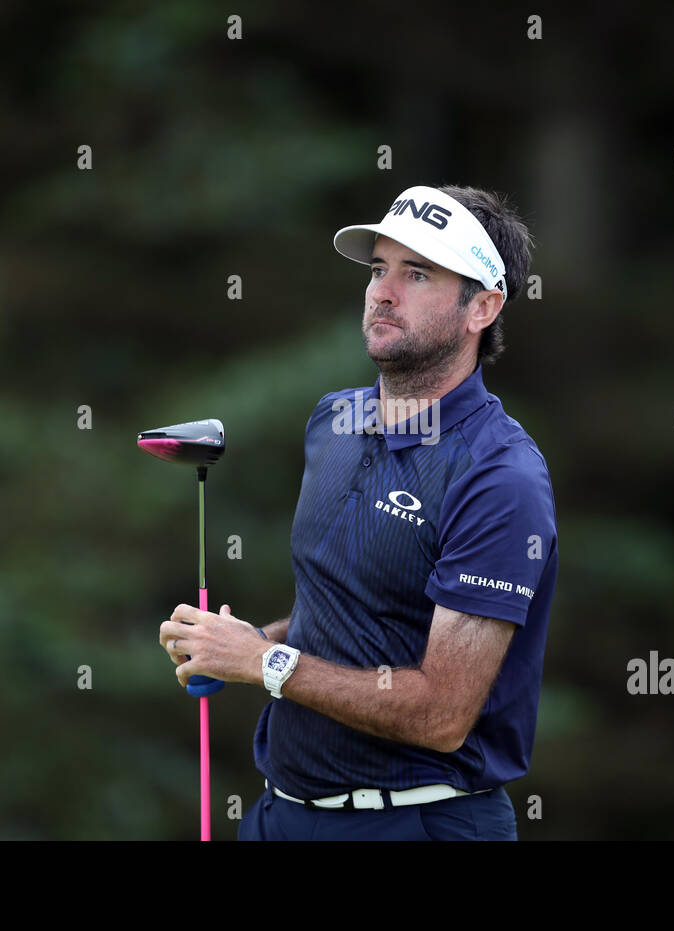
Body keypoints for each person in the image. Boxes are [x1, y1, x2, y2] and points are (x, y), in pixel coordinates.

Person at [158, 184, 558, 840]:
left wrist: (265, 665)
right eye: (379, 268)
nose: (383, 291)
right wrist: (245, 642)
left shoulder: (499, 475)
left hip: (420, 821)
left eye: (418, 273)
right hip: (281, 814)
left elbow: (442, 713)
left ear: (481, 306)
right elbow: (351, 612)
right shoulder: (333, 422)